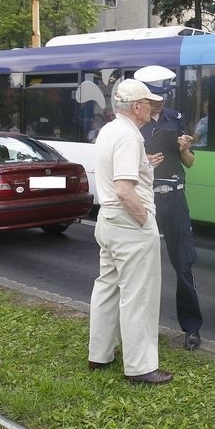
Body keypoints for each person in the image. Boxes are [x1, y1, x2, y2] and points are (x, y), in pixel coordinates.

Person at [88, 78, 173, 385]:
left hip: (108, 221)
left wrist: (143, 165)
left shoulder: (109, 130)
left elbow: (117, 177)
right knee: (139, 295)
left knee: (107, 287)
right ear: (137, 107)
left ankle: (99, 354)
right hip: (128, 222)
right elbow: (125, 190)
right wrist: (144, 220)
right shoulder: (129, 136)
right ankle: (139, 367)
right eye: (149, 102)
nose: (154, 107)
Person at [135, 65, 204, 351]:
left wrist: (186, 147)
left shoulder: (176, 119)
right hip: (146, 199)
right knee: (139, 266)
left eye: (163, 97)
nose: (160, 102)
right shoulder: (133, 124)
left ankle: (191, 328)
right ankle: (138, 327)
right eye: (155, 98)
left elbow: (189, 162)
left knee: (184, 264)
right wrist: (145, 162)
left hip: (174, 198)